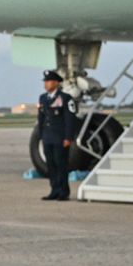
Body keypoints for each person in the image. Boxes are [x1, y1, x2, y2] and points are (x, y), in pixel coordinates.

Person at [37, 70, 80, 201]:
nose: (46, 84)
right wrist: (41, 136)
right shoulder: (43, 98)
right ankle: (54, 190)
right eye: (45, 81)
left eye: (48, 81)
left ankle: (63, 192)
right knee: (51, 165)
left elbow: (69, 119)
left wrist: (68, 137)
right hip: (47, 137)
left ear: (56, 83)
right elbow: (41, 118)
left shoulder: (65, 98)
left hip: (60, 138)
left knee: (61, 165)